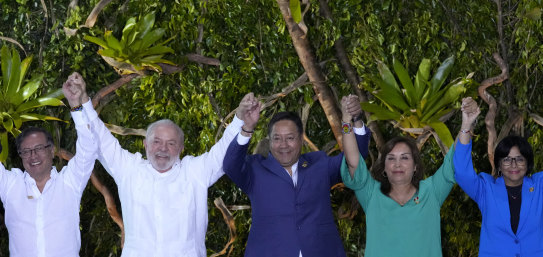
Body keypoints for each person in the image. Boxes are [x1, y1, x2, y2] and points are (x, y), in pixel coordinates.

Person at [63, 72, 255, 257]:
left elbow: (222, 153)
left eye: (171, 143)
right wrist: (83, 102)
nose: (163, 148)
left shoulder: (194, 172)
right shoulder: (131, 170)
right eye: (156, 141)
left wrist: (240, 120)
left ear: (181, 148)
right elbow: (101, 140)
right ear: (145, 144)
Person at [223, 94, 370, 257]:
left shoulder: (320, 164)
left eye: (290, 138)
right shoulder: (255, 170)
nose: (283, 145)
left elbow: (355, 159)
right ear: (270, 141)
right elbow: (230, 165)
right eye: (277, 138)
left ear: (301, 139)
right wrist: (247, 128)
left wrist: (354, 120)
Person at [340, 96, 456, 257]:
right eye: (391, 158)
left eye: (405, 157)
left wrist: (467, 125)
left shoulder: (431, 192)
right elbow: (353, 162)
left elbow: (454, 162)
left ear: (415, 166)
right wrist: (346, 121)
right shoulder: (371, 194)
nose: (397, 164)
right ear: (384, 168)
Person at [0, 79, 98, 257]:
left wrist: (76, 107)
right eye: (27, 151)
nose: (33, 156)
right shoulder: (10, 185)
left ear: (52, 150)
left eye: (39, 149)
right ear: (20, 155)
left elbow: (89, 147)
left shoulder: (69, 182)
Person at [454, 97, 543, 256]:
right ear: (499, 164)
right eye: (507, 159)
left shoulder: (539, 186)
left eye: (520, 159)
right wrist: (467, 125)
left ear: (528, 163)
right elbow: (461, 172)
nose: (514, 165)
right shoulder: (486, 189)